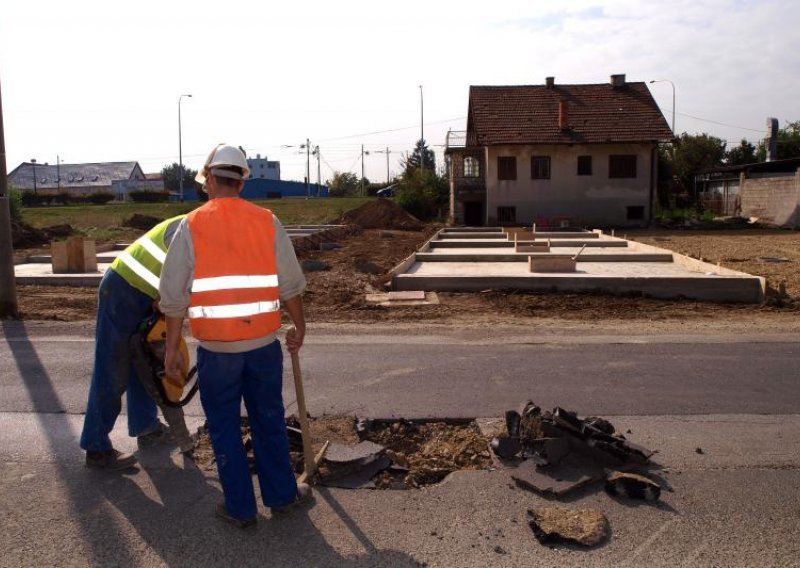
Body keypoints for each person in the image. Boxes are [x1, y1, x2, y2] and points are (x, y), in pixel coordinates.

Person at [159, 144, 310, 529]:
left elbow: (173, 296)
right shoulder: (267, 221)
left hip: (216, 353)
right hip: (262, 348)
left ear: (209, 179)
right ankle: (282, 496)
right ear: (242, 182)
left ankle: (240, 510)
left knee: (224, 429)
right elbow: (289, 284)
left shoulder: (189, 225)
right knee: (269, 420)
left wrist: (173, 347)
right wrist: (299, 326)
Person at [80, 214, 186, 470]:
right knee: (113, 366)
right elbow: (176, 285)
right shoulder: (189, 228)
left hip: (144, 293)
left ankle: (146, 428)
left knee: (146, 363)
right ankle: (96, 448)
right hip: (123, 287)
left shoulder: (203, 231)